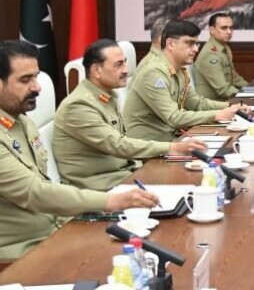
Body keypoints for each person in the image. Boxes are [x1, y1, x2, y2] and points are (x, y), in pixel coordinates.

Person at [0, 41, 157, 260]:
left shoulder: (22, 122)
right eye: (26, 80)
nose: (37, 87)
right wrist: (110, 202)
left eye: (36, 76)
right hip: (20, 253)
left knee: (141, 250)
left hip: (56, 230)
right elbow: (33, 192)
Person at [53, 39, 207, 191]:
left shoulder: (106, 96)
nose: (126, 69)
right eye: (119, 64)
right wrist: (171, 147)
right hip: (98, 187)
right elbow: (117, 144)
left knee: (195, 179)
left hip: (121, 175)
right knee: (186, 187)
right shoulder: (79, 105)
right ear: (96, 71)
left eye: (125, 62)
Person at [123, 20, 243, 142]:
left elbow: (196, 103)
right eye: (189, 43)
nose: (196, 49)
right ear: (170, 44)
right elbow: (174, 117)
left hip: (170, 141)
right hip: (150, 149)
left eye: (196, 44)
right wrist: (217, 114)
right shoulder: (154, 72)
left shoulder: (178, 70)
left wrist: (230, 106)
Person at [194, 12, 249, 100]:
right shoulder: (210, 55)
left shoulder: (224, 48)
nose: (229, 32)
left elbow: (235, 79)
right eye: (224, 28)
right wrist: (247, 95)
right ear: (212, 30)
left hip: (224, 102)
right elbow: (223, 90)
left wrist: (251, 89)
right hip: (211, 107)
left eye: (231, 28)